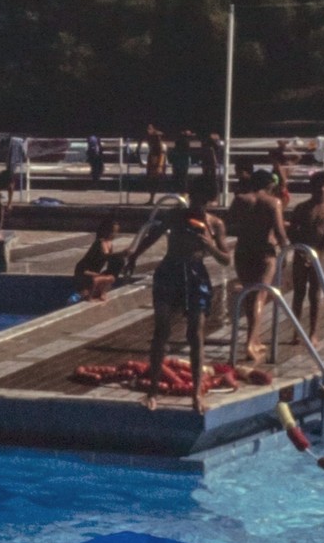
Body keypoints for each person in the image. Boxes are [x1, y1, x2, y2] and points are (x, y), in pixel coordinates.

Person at [127, 185, 231, 413]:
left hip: (195, 276)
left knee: (195, 334)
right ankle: (153, 391)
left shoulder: (215, 225)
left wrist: (210, 247)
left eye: (202, 202)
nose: (197, 207)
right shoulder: (175, 216)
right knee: (161, 330)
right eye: (194, 201)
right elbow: (152, 236)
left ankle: (196, 393)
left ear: (210, 202)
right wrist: (134, 254)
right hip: (170, 272)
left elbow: (226, 260)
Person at [223, 169, 288, 363]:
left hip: (243, 251)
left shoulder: (241, 200)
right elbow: (279, 232)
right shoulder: (273, 202)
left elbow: (228, 224)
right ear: (270, 185)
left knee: (250, 295)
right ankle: (250, 343)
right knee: (260, 296)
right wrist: (285, 253)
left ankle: (256, 338)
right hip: (264, 253)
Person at [284, 171, 324, 338]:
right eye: (318, 186)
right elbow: (292, 230)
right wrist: (299, 250)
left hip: (318, 255)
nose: (321, 190)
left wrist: (318, 252)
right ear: (311, 188)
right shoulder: (302, 208)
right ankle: (296, 331)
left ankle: (313, 332)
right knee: (298, 293)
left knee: (315, 294)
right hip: (302, 253)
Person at [73, 215, 127, 300]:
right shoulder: (98, 244)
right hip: (84, 271)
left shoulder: (109, 244)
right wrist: (120, 253)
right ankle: (88, 291)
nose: (115, 234)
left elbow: (110, 259)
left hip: (95, 271)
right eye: (113, 231)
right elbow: (102, 257)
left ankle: (100, 291)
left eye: (116, 232)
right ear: (106, 231)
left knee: (114, 269)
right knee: (87, 291)